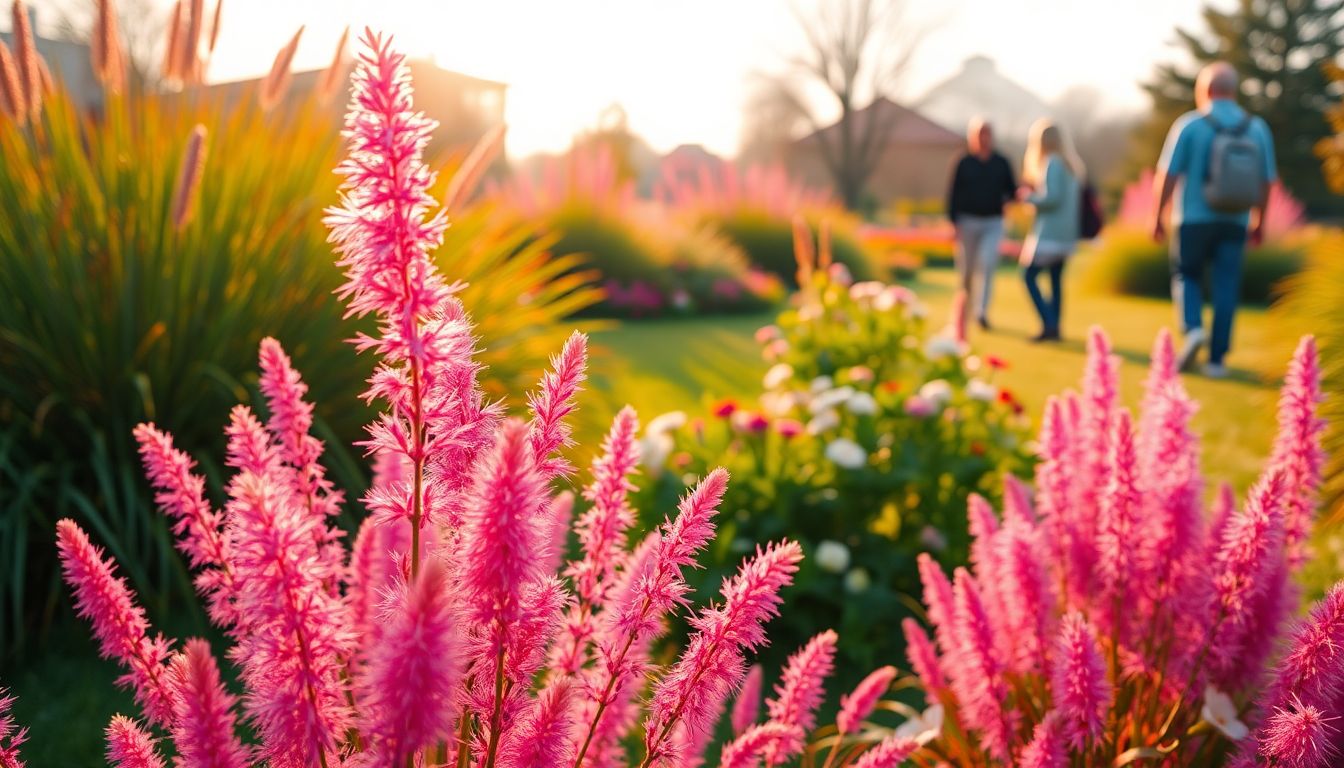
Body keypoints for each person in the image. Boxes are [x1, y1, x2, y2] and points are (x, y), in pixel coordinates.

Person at [1152, 61, 1276, 378]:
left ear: (1206, 90)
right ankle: (1217, 361)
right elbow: (1266, 180)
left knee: (1186, 275)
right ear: (1233, 90)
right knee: (1226, 287)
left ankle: (1193, 328)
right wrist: (1260, 221)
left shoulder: (1191, 125)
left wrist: (1158, 217)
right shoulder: (1257, 127)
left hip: (1193, 218)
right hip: (1236, 221)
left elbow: (1168, 175)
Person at [946, 117, 1017, 341]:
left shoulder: (1001, 162)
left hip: (992, 222)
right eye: (980, 135)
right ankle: (963, 311)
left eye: (987, 134)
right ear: (972, 138)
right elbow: (953, 195)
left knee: (987, 264)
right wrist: (954, 223)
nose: (984, 139)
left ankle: (981, 312)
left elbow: (1011, 191)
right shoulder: (963, 162)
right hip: (967, 222)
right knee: (967, 272)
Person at [1017, 119, 1083, 342]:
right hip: (1066, 235)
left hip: (1050, 234)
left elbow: (1053, 198)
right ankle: (1055, 327)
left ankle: (1049, 323)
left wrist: (1029, 198)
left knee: (1028, 275)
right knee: (1055, 280)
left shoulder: (1052, 163)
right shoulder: (1070, 164)